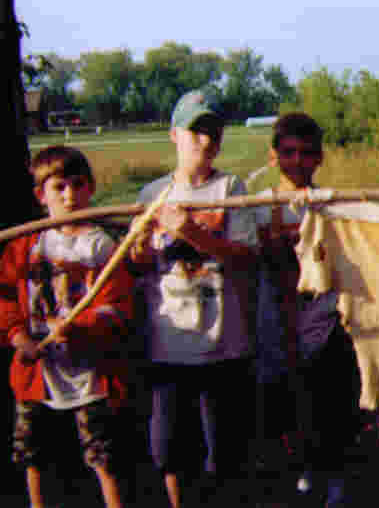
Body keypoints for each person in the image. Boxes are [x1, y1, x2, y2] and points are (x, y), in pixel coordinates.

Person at [128, 90, 258, 507]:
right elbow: (138, 263)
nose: (205, 140)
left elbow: (246, 257)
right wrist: (141, 246)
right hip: (168, 343)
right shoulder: (152, 194)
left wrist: (194, 234)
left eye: (213, 132)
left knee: (223, 449)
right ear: (174, 135)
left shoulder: (231, 188)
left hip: (223, 343)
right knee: (169, 448)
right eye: (196, 131)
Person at [0, 145, 134, 508]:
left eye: (78, 184)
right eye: (59, 187)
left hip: (90, 374)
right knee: (33, 456)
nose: (70, 195)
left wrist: (79, 328)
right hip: (37, 371)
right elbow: (1, 297)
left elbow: (118, 307)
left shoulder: (103, 246)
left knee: (103, 458)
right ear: (41, 195)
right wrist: (17, 335)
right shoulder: (27, 245)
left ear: (91, 187)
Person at [255, 112, 362, 507]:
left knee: (327, 405)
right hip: (273, 324)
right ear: (273, 156)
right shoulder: (256, 205)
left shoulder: (331, 203)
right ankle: (294, 480)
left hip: (322, 322)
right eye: (288, 153)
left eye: (306, 153)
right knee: (283, 408)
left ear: (319, 158)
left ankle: (333, 480)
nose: (297, 161)